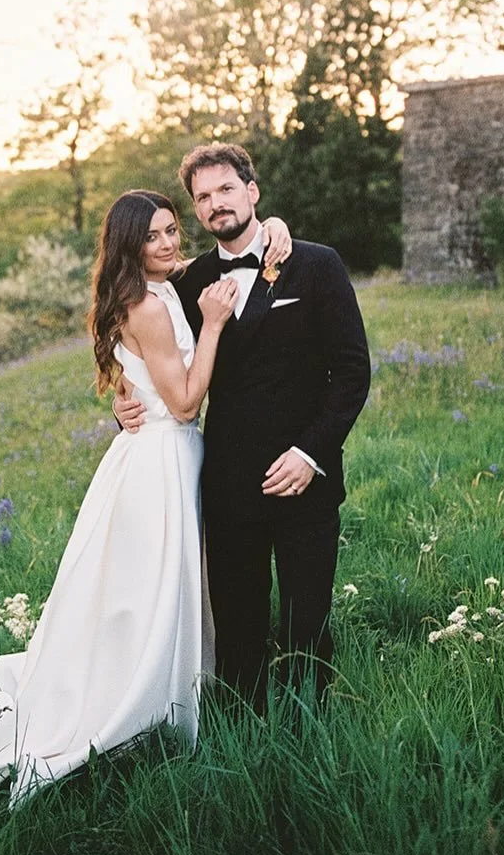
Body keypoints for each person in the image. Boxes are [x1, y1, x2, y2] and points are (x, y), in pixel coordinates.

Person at [0, 191, 291, 823]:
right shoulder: (148, 306)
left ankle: (169, 689)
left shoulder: (158, 289)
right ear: (129, 245)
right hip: (161, 457)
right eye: (152, 237)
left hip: (159, 454)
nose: (169, 244)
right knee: (152, 589)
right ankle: (143, 705)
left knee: (149, 589)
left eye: (173, 230)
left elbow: (215, 270)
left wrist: (277, 226)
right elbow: (181, 403)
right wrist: (210, 326)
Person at [115, 144, 371, 712]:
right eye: (202, 198)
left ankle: (312, 728)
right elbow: (143, 345)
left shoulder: (317, 264)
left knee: (307, 622)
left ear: (251, 192)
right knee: (237, 633)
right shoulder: (188, 282)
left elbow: (352, 373)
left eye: (225, 189)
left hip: (306, 477)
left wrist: (311, 453)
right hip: (228, 481)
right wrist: (123, 398)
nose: (214, 204)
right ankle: (243, 733)